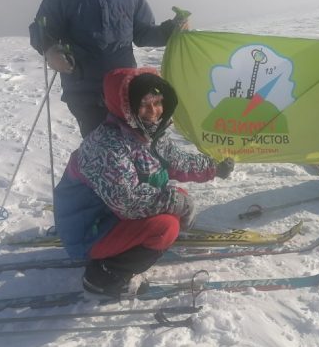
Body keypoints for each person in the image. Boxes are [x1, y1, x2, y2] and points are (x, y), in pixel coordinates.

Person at [53, 67, 235, 296]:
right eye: (144, 104)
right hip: (89, 230)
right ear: (126, 106)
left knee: (171, 206)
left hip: (110, 216)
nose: (154, 111)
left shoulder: (145, 132)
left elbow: (175, 161)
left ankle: (128, 246)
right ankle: (105, 275)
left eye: (158, 102)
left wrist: (212, 168)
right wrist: (177, 201)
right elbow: (128, 201)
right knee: (166, 227)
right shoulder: (108, 148)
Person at [29, 0, 189, 137]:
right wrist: (50, 50)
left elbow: (143, 34)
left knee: (136, 144)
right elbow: (41, 29)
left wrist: (171, 29)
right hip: (84, 92)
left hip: (126, 88)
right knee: (100, 148)